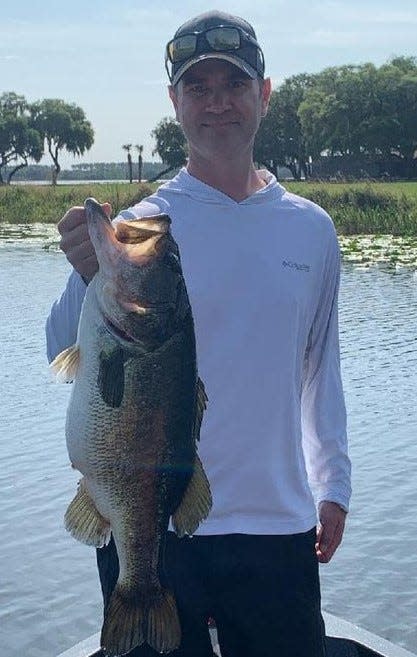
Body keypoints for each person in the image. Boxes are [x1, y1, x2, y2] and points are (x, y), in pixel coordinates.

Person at [46, 10, 351, 657]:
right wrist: (84, 271)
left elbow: (321, 371)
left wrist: (335, 484)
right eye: (197, 87)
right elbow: (58, 346)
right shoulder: (138, 225)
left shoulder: (311, 229)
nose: (216, 102)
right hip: (146, 521)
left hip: (276, 523)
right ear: (174, 102)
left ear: (263, 94)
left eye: (233, 84)